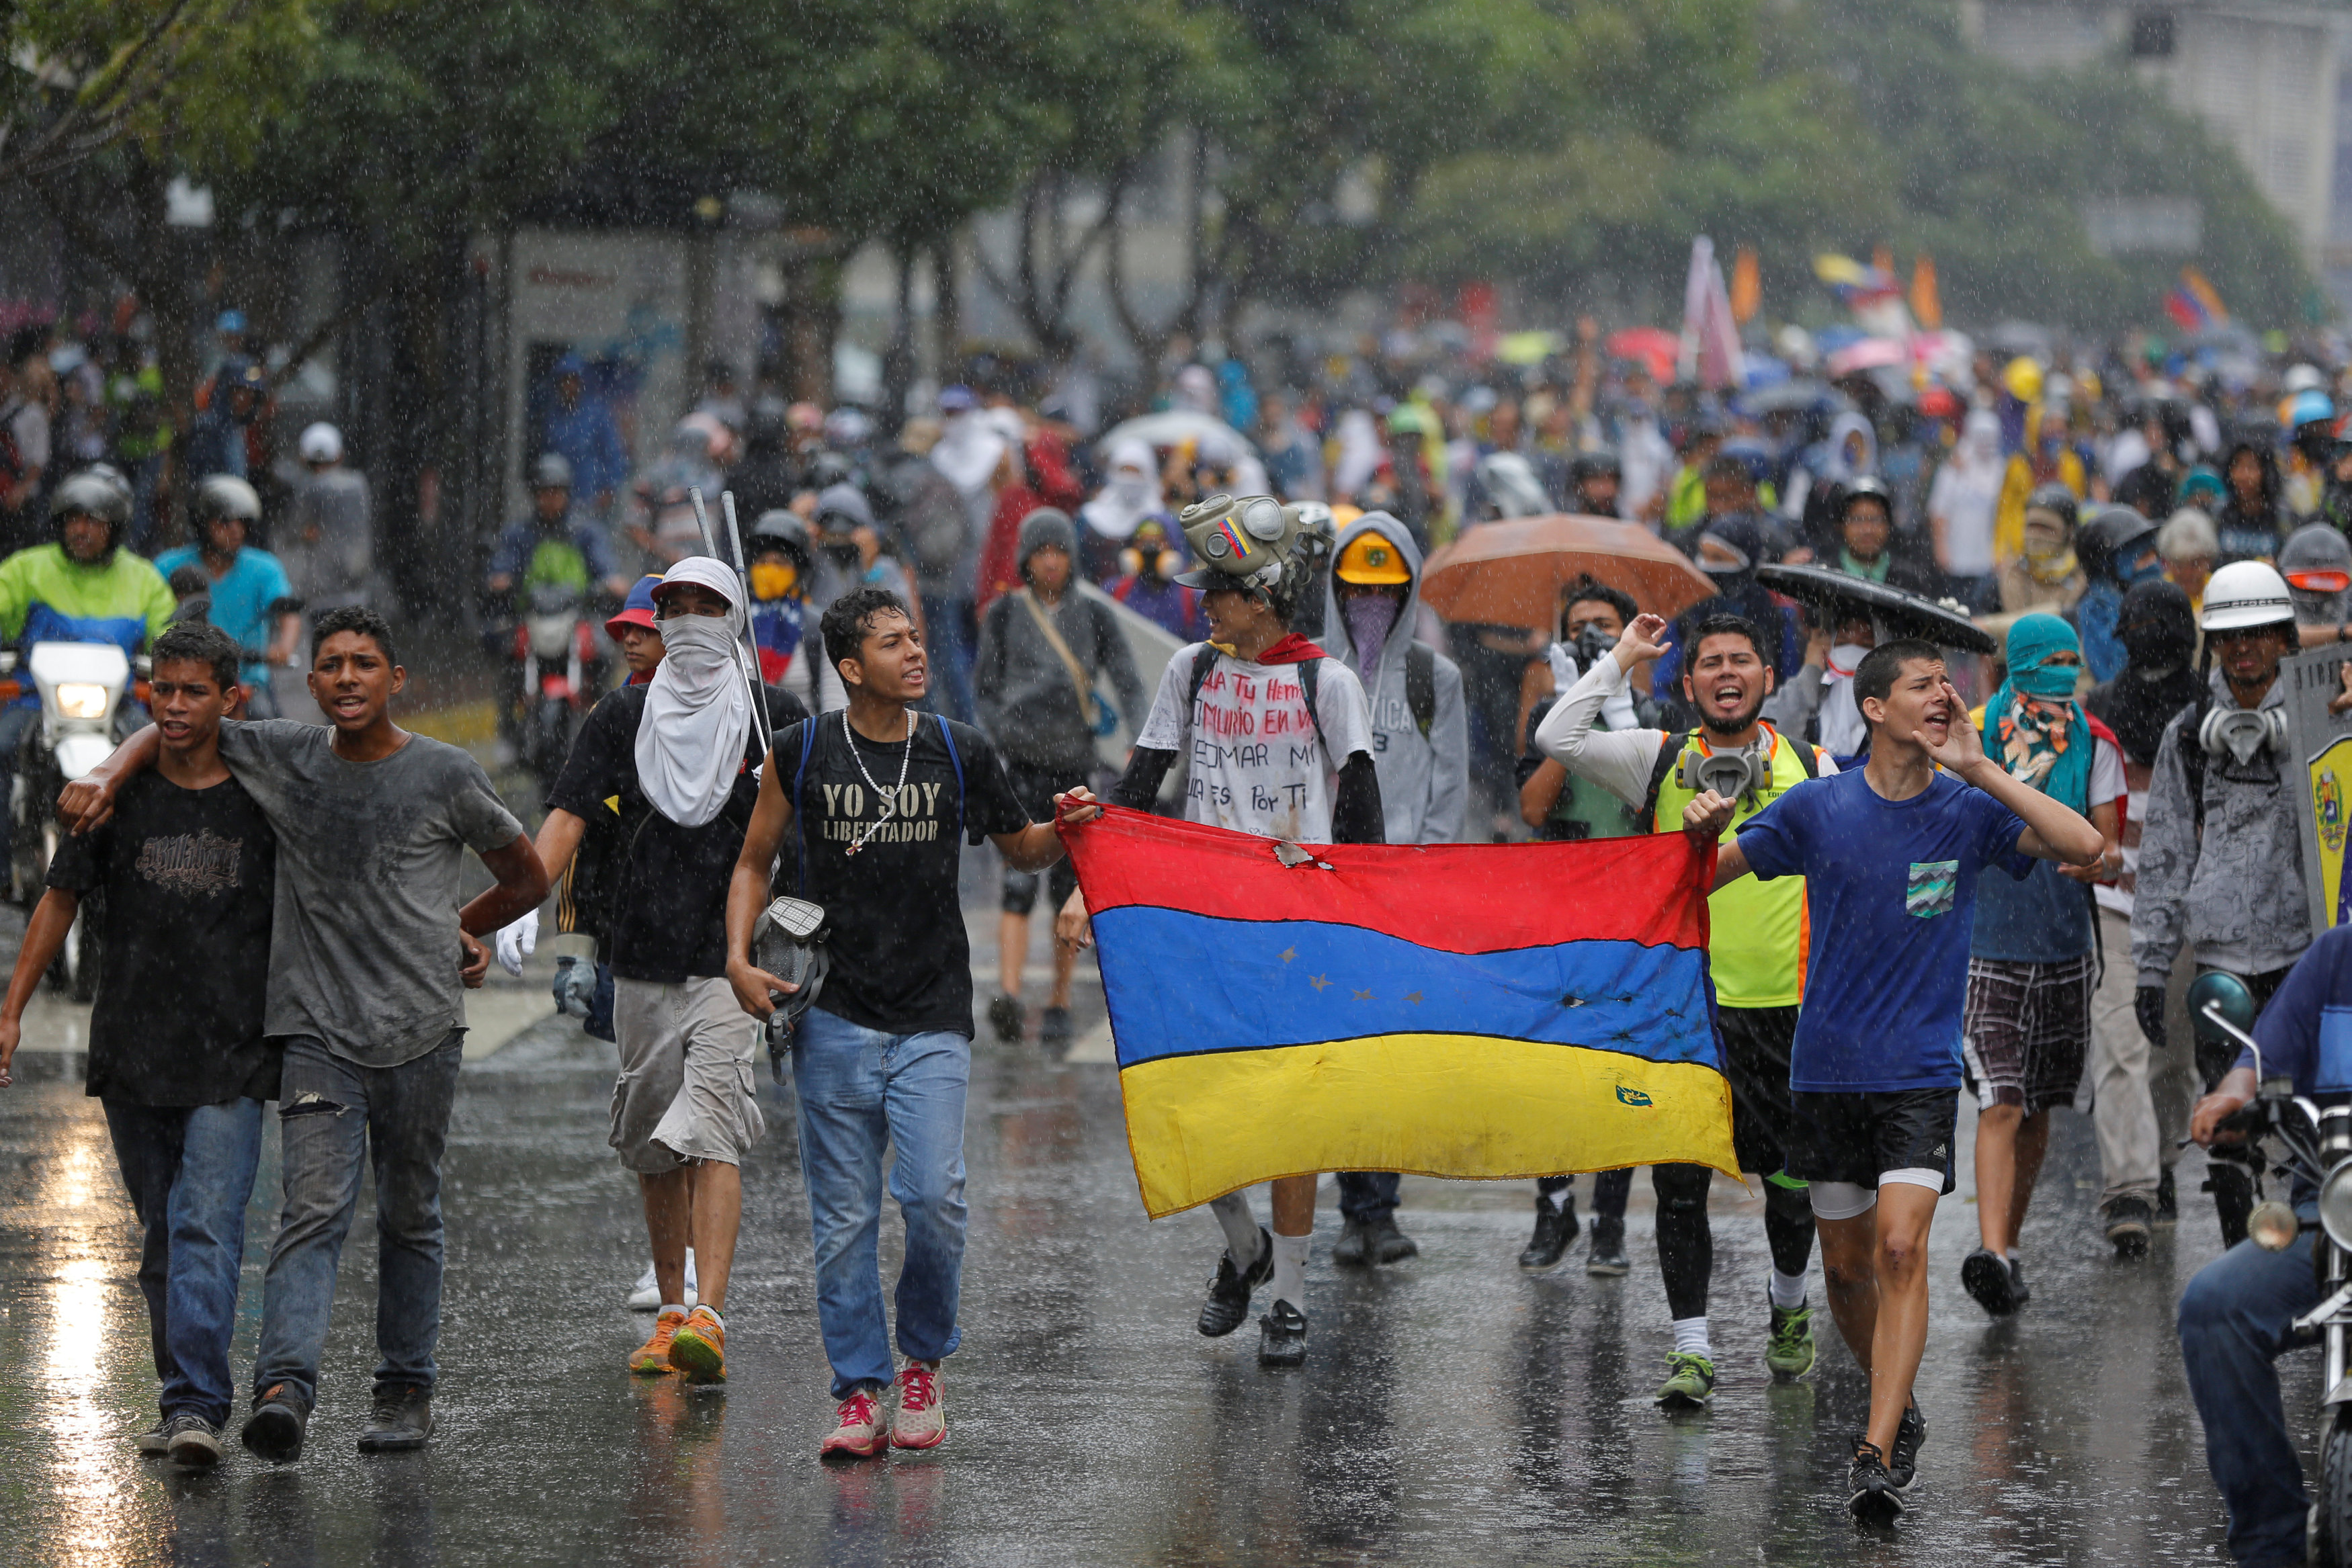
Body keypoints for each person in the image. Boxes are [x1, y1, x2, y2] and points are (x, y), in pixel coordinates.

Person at [58, 605, 550, 1463]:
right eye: (331, 666)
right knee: (310, 1213)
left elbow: (528, 875)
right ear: (310, 682)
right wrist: (105, 769)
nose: (348, 678)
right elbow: (171, 730)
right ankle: (285, 1390)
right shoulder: (281, 752)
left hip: (422, 1032)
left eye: (366, 664)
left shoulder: (444, 773)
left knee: (409, 1214)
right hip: (316, 1033)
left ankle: (404, 1388)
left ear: (397, 681)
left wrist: (456, 926)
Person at [1689, 636, 2100, 1520]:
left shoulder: (1967, 810)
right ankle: (1896, 1394)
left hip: (1916, 1073)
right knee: (1845, 1272)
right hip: (1826, 1071)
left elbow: (2087, 842)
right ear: (1876, 708)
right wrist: (1700, 835)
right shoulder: (1815, 808)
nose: (1943, 695)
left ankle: (1875, 1449)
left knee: (1903, 1248)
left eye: (1948, 684)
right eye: (1923, 684)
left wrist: (1983, 767)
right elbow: (1700, 884)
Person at [724, 585, 1087, 1458]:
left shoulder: (960, 751)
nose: (916, 653)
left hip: (932, 1011)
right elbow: (752, 860)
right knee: (843, 1220)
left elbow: (1023, 848)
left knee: (933, 1197)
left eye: (916, 638)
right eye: (892, 644)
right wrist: (737, 955)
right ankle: (859, 1391)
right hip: (831, 1013)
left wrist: (1072, 827)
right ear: (851, 668)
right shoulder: (802, 750)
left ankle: (921, 1359)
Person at [1057, 494, 1382, 1370]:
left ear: (1268, 593)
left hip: (1297, 925)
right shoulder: (1193, 671)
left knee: (1291, 1118)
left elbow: (1362, 818)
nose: (1207, 601)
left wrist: (1365, 920)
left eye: (1225, 588)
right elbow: (1142, 779)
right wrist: (1094, 881)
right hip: (1196, 917)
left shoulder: (1331, 682)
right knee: (1191, 1099)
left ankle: (1289, 1298)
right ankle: (1245, 1248)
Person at [1536, 609, 1837, 1405]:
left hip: (1786, 1010)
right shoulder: (1659, 760)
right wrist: (1623, 660)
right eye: (1710, 663)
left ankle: (1787, 1306)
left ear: (1768, 680)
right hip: (1679, 1009)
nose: (1727, 673)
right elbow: (1555, 740)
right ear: (1688, 681)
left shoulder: (1812, 766)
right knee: (1678, 1184)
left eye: (1742, 661)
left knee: (1787, 1184)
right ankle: (1691, 1351)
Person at [519, 557, 807, 1385]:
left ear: (733, 616)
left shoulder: (773, 718)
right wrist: (521, 901)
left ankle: (708, 1320)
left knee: (714, 1126)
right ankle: (671, 1309)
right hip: (637, 958)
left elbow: (809, 838)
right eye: (672, 606)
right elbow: (568, 818)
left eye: (704, 605)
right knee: (652, 1140)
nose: (685, 619)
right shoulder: (621, 717)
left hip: (729, 962)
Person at [0, 623, 274, 1466]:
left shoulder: (268, 793)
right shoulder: (114, 799)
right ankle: (179, 1395)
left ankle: (196, 1405)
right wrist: (10, 1010)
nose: (178, 706)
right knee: (162, 1228)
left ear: (235, 700)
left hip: (232, 1051)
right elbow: (59, 901)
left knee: (203, 1225)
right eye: (166, 690)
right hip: (132, 1045)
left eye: (197, 691)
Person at [2131, 560, 2313, 1248]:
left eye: (2258, 634)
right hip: (2218, 963)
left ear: (2283, 639)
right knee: (2227, 1130)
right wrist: (2149, 968)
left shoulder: (2325, 724)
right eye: (2229, 636)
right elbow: (2164, 853)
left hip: (2304, 956)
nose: (2243, 649)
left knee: (2309, 1122)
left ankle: (2315, 1266)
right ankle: (2247, 1270)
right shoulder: (2186, 735)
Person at [1958, 616, 2124, 1314]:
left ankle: (2011, 1246)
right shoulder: (1970, 734)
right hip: (1983, 944)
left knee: (2037, 1109)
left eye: (2070, 658)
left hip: (2061, 945)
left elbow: (2108, 847)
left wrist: (2098, 862)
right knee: (2000, 1101)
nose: (2061, 669)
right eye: (2047, 658)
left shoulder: (2096, 741)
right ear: (2018, 662)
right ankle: (1991, 1251)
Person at [2177, 923, 2352, 1568]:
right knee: (2215, 1306)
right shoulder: (2336, 958)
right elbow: (2257, 1061)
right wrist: (2229, 1098)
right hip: (2331, 1208)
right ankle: (2271, 1541)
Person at [1320, 510, 1469, 1266]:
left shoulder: (1431, 677)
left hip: (1400, 890)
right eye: (1355, 592)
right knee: (1337, 1051)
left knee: (1390, 1052)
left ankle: (1379, 1206)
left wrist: (1426, 874)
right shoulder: (1310, 670)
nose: (1368, 607)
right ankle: (1347, 1203)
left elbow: (1450, 784)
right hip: (1322, 888)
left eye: (1385, 592)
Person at [1512, 580, 1650, 1272]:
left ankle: (1609, 1221)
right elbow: (1532, 810)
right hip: (1559, 903)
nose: (1591, 636)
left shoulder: (1653, 713)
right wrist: (1564, 723)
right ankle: (1553, 1206)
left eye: (1603, 625)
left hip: (1627, 904)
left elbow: (1651, 805)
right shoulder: (1547, 708)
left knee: (1616, 1057)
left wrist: (1615, 703)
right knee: (1550, 1060)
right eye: (1579, 628)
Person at [973, 508, 1146, 1047]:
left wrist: (1140, 738)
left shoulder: (1093, 615)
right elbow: (984, 688)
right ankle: (1007, 992)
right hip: (1020, 764)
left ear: (1071, 557)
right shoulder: (1004, 615)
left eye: (1059, 551)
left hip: (1073, 762)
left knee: (1068, 887)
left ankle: (1060, 1000)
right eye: (1041, 552)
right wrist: (1003, 733)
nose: (1050, 561)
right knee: (1016, 883)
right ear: (1026, 558)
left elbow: (1128, 679)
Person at [2083, 580, 2206, 1252]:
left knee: (2174, 1057)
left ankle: (2159, 1163)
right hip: (2113, 902)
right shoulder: (2098, 710)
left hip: (2188, 912)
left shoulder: (2208, 711)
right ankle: (2125, 1193)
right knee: (2120, 1049)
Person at [0, 470, 175, 859]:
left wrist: (179, 652)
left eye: (93, 521)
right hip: (34, 702)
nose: (81, 530)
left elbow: (169, 636)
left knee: (160, 760)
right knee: (1, 748)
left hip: (118, 703)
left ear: (115, 529)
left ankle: (153, 861)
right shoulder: (27, 568)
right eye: (73, 520)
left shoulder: (143, 578)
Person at [153, 477, 300, 718]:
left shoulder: (265, 568)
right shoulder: (169, 565)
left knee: (268, 731)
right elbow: (149, 614)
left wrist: (284, 646)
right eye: (224, 522)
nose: (235, 530)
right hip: (182, 682)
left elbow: (287, 611)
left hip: (246, 684)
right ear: (202, 523)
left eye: (242, 523)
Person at [283, 422, 374, 618]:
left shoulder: (309, 489)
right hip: (358, 589)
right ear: (339, 456)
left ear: (303, 458)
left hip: (321, 593)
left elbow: (292, 533)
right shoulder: (359, 484)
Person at [1979, 483, 2087, 644]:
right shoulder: (2005, 579)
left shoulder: (2084, 582)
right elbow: (1988, 651)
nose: (2036, 535)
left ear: (2069, 532)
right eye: (2031, 527)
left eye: (2046, 528)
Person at [2074, 505, 2165, 683]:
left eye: (2155, 555)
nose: (2154, 565)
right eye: (2143, 557)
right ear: (2109, 568)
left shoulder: (2166, 603)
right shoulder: (2094, 616)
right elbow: (2112, 679)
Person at [1929, 411, 2005, 612]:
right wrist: (1941, 547)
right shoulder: (1953, 468)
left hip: (1987, 559)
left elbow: (2005, 514)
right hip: (1956, 556)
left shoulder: (2001, 469)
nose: (1985, 442)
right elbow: (1939, 510)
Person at [540, 354, 630, 521]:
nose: (568, 386)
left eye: (573, 380)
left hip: (593, 498)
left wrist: (608, 488)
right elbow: (548, 456)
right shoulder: (553, 418)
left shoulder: (597, 414)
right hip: (561, 501)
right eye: (564, 381)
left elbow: (614, 454)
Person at [1826, 477, 1935, 594]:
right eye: (1857, 519)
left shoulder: (1909, 579)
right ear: (1841, 525)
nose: (1867, 529)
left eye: (1876, 520)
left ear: (1889, 525)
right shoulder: (1824, 575)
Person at [1105, 515, 1200, 640]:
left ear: (1174, 546)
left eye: (1159, 541)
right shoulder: (1114, 591)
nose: (1149, 549)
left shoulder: (1193, 599)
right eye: (1141, 541)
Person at [183, 359, 264, 482]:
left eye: (251, 393)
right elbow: (204, 482)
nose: (246, 399)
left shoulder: (237, 428)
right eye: (241, 391)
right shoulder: (207, 427)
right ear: (226, 391)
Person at [2213, 438, 2284, 566]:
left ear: (2266, 472)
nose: (2243, 475)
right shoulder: (2218, 512)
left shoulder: (2282, 517)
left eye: (2251, 467)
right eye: (2237, 465)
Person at [2158, 507, 2220, 614]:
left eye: (2195, 564)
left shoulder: (2220, 593)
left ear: (2209, 560)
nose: (2187, 574)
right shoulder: (2157, 594)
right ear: (2167, 562)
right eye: (2179, 565)